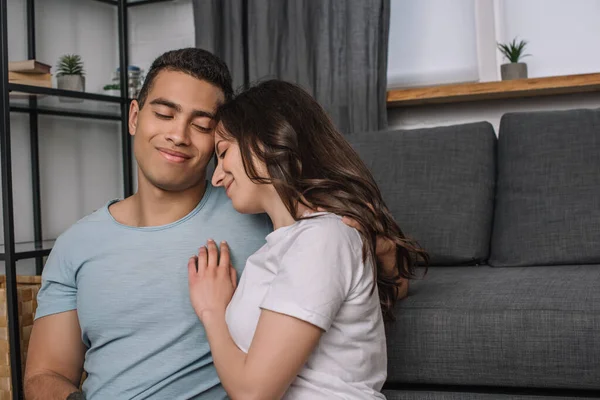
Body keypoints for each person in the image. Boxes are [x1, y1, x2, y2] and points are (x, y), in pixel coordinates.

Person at [23, 48, 404, 400]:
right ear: (135, 117)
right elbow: (44, 374)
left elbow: (382, 274)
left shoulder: (262, 213)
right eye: (165, 113)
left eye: (202, 125)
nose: (178, 135)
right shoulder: (76, 244)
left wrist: (372, 237)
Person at [188, 80, 427, 399]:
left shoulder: (322, 237)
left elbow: (253, 393)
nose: (216, 177)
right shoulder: (291, 243)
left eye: (223, 152)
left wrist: (212, 313)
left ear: (263, 139)